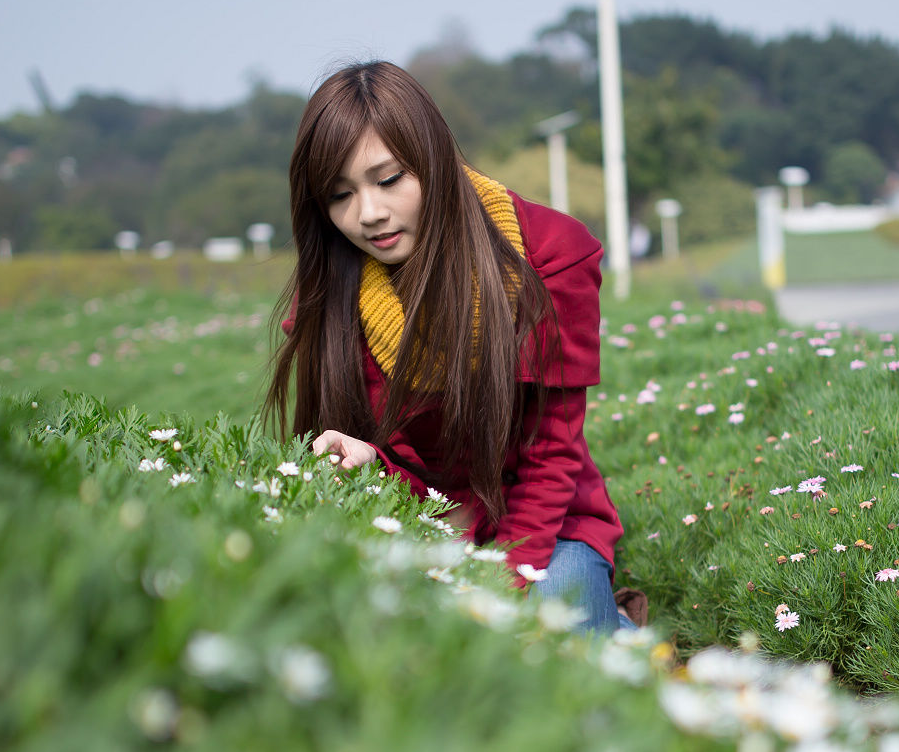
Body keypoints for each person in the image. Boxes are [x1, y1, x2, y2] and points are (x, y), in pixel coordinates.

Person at [264, 60, 634, 634]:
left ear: (434, 160)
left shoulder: (549, 255)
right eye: (340, 195)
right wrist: (372, 466)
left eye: (389, 180)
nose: (369, 214)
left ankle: (619, 642)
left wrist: (498, 585)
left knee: (553, 621)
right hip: (423, 527)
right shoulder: (330, 305)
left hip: (547, 523)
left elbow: (550, 454)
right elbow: (394, 472)